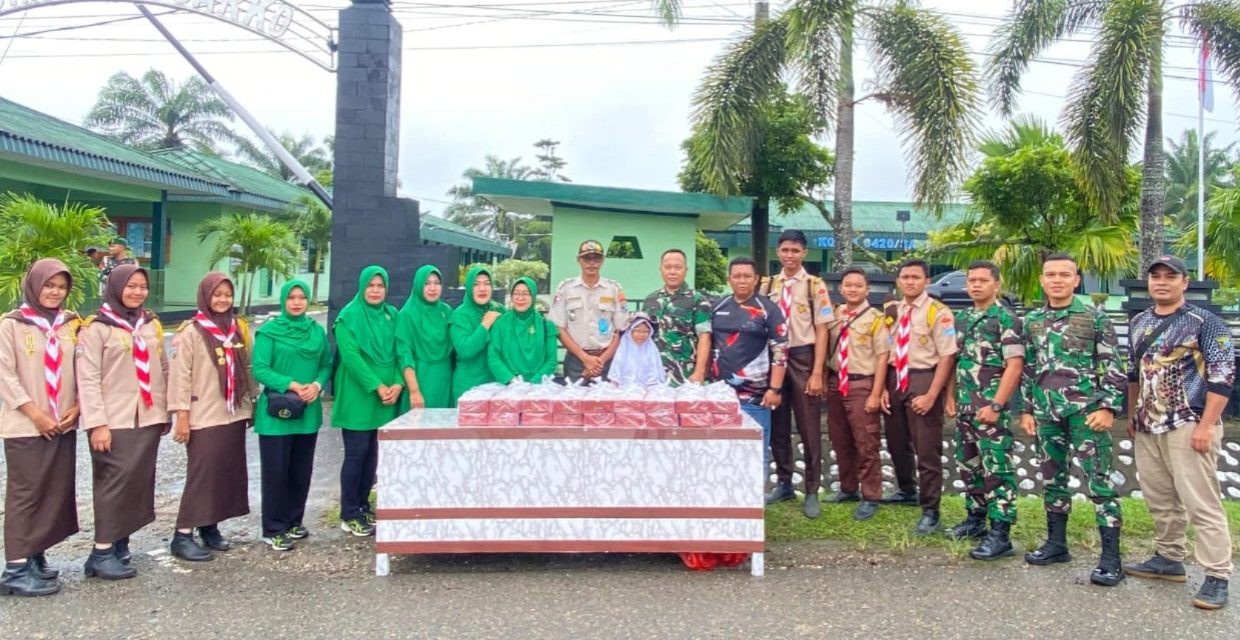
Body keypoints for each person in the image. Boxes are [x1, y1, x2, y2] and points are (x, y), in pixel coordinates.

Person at [1125, 255, 1234, 610]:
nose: (1161, 282)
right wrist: (1133, 414)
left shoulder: (1206, 323)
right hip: (1148, 424)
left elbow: (1223, 378)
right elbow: (1134, 373)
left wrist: (1206, 426)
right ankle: (1169, 558)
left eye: (1170, 277)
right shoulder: (1139, 322)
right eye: (1155, 276)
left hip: (1189, 423)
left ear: (1184, 282)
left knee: (1201, 501)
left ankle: (1217, 575)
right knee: (1159, 498)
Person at [1021, 253, 1127, 586]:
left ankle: (1111, 559)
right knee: (1052, 479)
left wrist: (1109, 408)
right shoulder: (1032, 320)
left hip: (1086, 413)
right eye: (1051, 274)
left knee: (1099, 483)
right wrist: (1026, 410)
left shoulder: (1094, 318)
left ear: (1076, 280)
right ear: (1042, 280)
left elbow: (1113, 365)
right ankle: (1056, 545)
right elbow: (1029, 368)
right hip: (1046, 413)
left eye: (1064, 275)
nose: (1057, 280)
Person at [76, 264, 167, 579]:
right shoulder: (96, 328)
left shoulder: (149, 324)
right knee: (112, 484)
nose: (137, 292)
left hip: (148, 416)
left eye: (142, 286)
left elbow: (162, 367)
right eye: (131, 286)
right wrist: (97, 423)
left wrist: (167, 411)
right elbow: (87, 378)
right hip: (114, 419)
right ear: (115, 287)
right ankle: (100, 552)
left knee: (135, 483)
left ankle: (119, 543)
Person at [0, 259, 81, 597]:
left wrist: (77, 406)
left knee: (52, 491)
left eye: (61, 287)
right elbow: (5, 375)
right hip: (26, 425)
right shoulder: (11, 324)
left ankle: (35, 554)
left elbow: (82, 368)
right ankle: (15, 569)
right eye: (48, 285)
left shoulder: (70, 324)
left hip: (62, 424)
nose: (54, 292)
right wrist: (35, 414)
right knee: (26, 494)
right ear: (34, 286)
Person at [168, 273, 255, 562]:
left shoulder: (238, 329)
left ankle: (210, 526)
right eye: (217, 294)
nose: (222, 300)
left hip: (233, 413)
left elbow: (248, 368)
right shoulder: (191, 331)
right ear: (205, 296)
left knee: (224, 474)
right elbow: (180, 376)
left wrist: (252, 403)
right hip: (203, 414)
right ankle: (182, 535)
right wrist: (181, 415)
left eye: (227, 294)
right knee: (202, 476)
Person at [944, 261, 1024, 560]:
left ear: (996, 285)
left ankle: (1001, 533)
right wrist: (949, 397)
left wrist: (996, 405)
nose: (976, 285)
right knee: (970, 467)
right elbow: (954, 361)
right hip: (966, 407)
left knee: (997, 470)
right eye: (972, 280)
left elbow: (1014, 366)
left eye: (982, 280)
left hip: (990, 409)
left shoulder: (1005, 318)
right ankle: (975, 520)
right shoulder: (962, 318)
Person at [252, 280, 331, 552]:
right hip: (276, 414)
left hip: (307, 411)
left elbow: (326, 364)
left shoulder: (315, 331)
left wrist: (317, 385)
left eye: (301, 297)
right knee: (276, 473)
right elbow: (260, 369)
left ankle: (294, 521)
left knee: (301, 471)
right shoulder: (269, 332)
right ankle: (273, 528)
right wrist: (292, 384)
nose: (296, 302)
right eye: (291, 297)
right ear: (284, 301)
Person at [882, 259, 956, 536]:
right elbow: (885, 349)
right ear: (898, 281)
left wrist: (933, 395)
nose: (910, 282)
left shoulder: (938, 312)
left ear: (926, 281)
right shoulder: (892, 310)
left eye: (915, 277)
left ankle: (931, 510)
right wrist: (882, 388)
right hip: (895, 378)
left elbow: (947, 356)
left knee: (926, 448)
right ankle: (906, 490)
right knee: (896, 441)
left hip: (923, 378)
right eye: (905, 277)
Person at [761, 230, 832, 519]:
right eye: (785, 250)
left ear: (804, 253)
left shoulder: (815, 285)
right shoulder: (767, 285)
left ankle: (812, 489)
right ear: (777, 252)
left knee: (808, 426)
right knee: (777, 424)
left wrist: (817, 372)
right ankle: (784, 483)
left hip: (803, 357)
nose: (789, 255)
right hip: (775, 358)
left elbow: (823, 330)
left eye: (795, 250)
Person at [332, 266, 402, 537]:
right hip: (358, 395)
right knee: (356, 453)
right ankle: (349, 513)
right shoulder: (348, 316)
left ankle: (363, 505)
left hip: (387, 397)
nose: (375, 291)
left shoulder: (391, 314)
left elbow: (401, 350)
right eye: (371, 285)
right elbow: (351, 357)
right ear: (362, 287)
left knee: (373, 455)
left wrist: (397, 383)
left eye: (380, 286)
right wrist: (377, 386)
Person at [710, 256, 787, 479]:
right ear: (729, 279)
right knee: (722, 454)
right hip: (720, 397)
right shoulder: (717, 307)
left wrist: (775, 389)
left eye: (747, 276)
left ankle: (755, 499)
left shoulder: (768, 309)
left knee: (755, 453)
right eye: (737, 276)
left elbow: (781, 351)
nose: (742, 280)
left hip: (756, 398)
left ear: (756, 279)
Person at [824, 268, 890, 521]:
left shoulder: (876, 318)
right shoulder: (833, 315)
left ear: (867, 289)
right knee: (840, 439)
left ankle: (871, 495)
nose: (853, 289)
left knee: (866, 441)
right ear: (841, 289)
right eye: (848, 285)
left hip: (861, 384)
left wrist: (876, 392)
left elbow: (883, 356)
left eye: (858, 285)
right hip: (835, 382)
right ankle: (848, 487)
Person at [550, 239, 629, 383]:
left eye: (596, 259)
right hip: (576, 360)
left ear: (603, 260)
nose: (591, 263)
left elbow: (622, 330)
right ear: (578, 260)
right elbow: (558, 327)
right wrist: (585, 358)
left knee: (607, 398)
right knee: (573, 397)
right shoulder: (565, 288)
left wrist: (600, 361)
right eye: (586, 259)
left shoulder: (614, 288)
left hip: (606, 360)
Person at [641, 248, 711, 385]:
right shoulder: (650, 300)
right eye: (668, 267)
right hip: (653, 374)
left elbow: (705, 337)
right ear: (661, 270)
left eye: (678, 267)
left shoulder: (698, 300)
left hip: (685, 375)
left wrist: (699, 372)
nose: (672, 272)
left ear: (686, 270)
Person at [396, 265, 454, 409]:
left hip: (444, 380)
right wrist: (414, 391)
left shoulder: (446, 312)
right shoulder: (407, 314)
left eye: (437, 283)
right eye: (427, 283)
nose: (432, 288)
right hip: (419, 379)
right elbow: (404, 355)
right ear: (418, 285)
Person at [489, 278, 559, 384]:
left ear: (533, 296)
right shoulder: (500, 323)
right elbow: (493, 357)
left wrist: (533, 383)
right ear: (511, 296)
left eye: (526, 294)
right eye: (516, 293)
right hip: (508, 386)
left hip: (538, 387)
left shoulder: (546, 325)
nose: (520, 298)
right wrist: (511, 380)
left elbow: (551, 360)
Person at [450, 266, 504, 405]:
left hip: (496, 386)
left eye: (487, 284)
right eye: (476, 284)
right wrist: (485, 324)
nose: (482, 289)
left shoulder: (498, 309)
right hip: (468, 387)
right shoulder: (460, 315)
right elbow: (465, 351)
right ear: (469, 288)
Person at [607, 313, 667, 387]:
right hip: (624, 389)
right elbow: (616, 372)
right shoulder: (623, 350)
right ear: (630, 332)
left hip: (647, 389)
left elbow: (654, 372)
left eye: (645, 332)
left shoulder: (651, 350)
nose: (641, 335)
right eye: (638, 331)